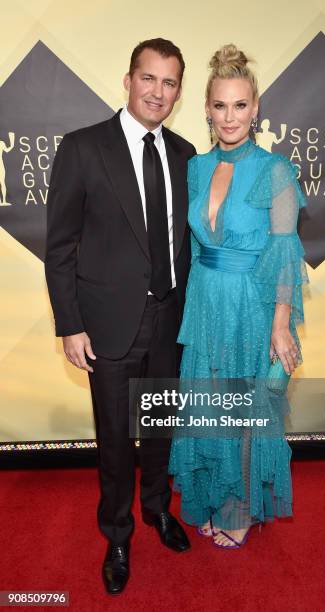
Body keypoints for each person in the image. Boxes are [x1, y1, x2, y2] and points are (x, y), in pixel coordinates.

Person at [45, 38, 196, 594]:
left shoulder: (185, 156)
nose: (158, 92)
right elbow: (60, 247)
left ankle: (157, 508)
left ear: (179, 91)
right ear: (129, 80)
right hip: (107, 325)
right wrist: (69, 323)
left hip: (170, 321)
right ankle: (117, 532)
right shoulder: (83, 148)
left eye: (170, 82)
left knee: (158, 429)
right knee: (114, 439)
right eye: (149, 78)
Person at [169, 44, 309, 548]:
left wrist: (279, 323)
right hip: (206, 301)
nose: (230, 116)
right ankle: (215, 497)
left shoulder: (275, 171)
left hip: (253, 305)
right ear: (206, 109)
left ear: (256, 109)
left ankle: (240, 509)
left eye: (241, 105)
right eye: (221, 106)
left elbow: (285, 252)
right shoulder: (196, 168)